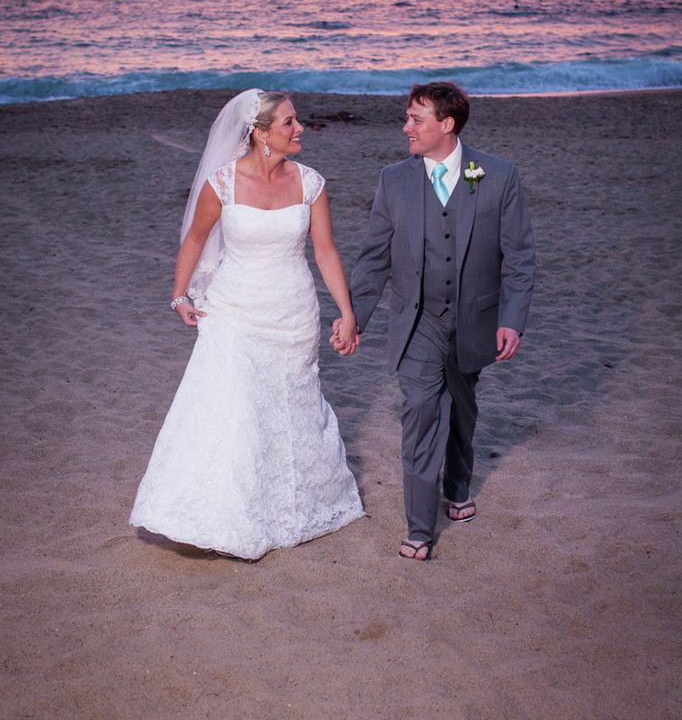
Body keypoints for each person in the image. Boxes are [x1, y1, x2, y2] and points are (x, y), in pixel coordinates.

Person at [130, 89, 364, 560]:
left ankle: (286, 506)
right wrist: (179, 295)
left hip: (293, 313)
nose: (299, 128)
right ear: (260, 134)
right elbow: (195, 239)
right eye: (289, 122)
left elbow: (325, 251)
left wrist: (347, 311)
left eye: (297, 120)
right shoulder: (222, 183)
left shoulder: (311, 183)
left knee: (288, 407)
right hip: (234, 310)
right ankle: (222, 517)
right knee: (234, 407)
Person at [333, 81, 535, 560]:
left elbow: (519, 257)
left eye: (415, 119)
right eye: (407, 117)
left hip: (474, 321)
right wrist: (354, 317)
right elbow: (374, 259)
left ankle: (458, 486)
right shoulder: (393, 180)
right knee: (422, 412)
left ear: (446, 125)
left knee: (462, 410)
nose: (406, 127)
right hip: (416, 323)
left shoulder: (498, 175)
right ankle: (420, 528)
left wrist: (512, 319)